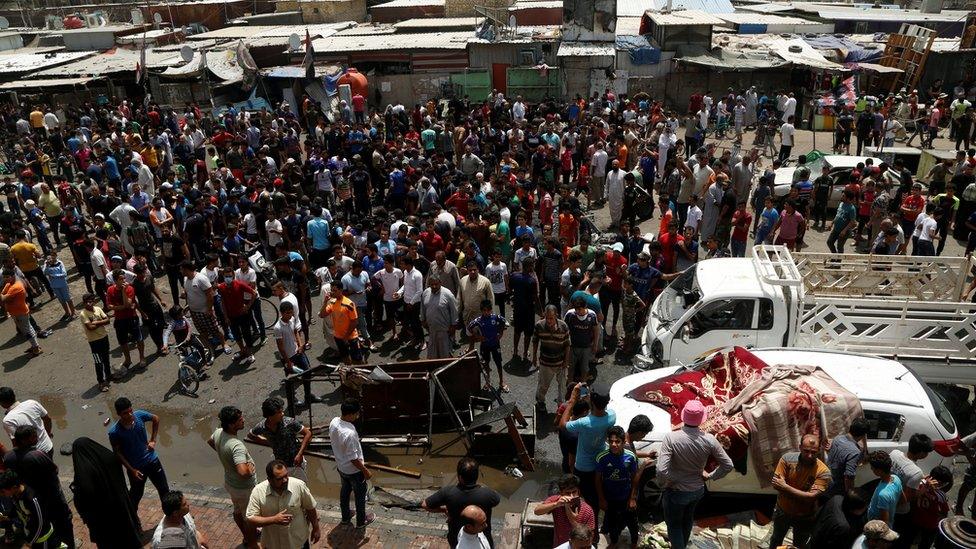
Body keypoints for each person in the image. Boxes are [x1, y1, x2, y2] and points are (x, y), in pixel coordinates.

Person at [656, 400, 734, 549]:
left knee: (674, 525)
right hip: (697, 490)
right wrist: (710, 476)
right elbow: (728, 465)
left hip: (676, 492)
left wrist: (664, 483)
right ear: (701, 419)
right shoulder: (709, 439)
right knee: (687, 520)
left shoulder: (671, 438)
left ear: (684, 416)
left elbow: (661, 470)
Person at [2, 425, 75, 549]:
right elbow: (55, 470)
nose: (37, 438)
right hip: (51, 498)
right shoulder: (37, 454)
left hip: (29, 500)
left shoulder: (8, 457)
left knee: (41, 525)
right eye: (34, 437)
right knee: (63, 524)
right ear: (25, 440)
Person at [560, 382, 615, 528]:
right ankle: (594, 527)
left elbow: (563, 424)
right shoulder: (612, 416)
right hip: (599, 463)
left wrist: (572, 399)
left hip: (583, 468)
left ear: (591, 401)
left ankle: (577, 524)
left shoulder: (584, 422)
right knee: (595, 498)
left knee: (578, 497)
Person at [767, 434, 832, 548]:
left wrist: (785, 487)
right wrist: (803, 494)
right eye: (806, 451)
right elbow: (776, 485)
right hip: (783, 510)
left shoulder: (823, 471)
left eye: (814, 452)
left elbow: (811, 497)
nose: (810, 455)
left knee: (800, 544)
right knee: (776, 538)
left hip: (805, 516)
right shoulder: (787, 459)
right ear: (800, 447)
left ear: (819, 450)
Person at [423, 457, 502, 548]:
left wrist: (443, 509)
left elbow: (425, 505)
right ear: (477, 475)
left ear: (460, 477)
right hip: (483, 535)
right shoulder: (488, 494)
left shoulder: (447, 492)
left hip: (456, 536)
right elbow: (496, 499)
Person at [208, 406, 257, 547]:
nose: (243, 420)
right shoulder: (236, 446)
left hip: (231, 484)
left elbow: (210, 441)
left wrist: (224, 455)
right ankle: (252, 542)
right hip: (244, 489)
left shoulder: (218, 433)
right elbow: (243, 472)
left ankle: (247, 537)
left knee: (237, 511)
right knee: (250, 517)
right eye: (240, 420)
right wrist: (250, 469)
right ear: (231, 424)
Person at [108, 397, 170, 508]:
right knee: (136, 495)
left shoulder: (140, 415)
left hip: (152, 461)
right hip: (136, 469)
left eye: (130, 411)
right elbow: (117, 453)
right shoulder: (114, 432)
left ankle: (172, 517)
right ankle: (132, 521)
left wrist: (153, 440)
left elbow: (156, 418)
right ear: (119, 414)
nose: (130, 414)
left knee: (164, 491)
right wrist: (132, 470)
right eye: (125, 413)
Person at [245, 460, 321, 549]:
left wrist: (316, 528)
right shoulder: (258, 492)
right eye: (279, 479)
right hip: (273, 544)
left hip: (298, 543)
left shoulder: (298, 485)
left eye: (286, 475)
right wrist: (273, 519)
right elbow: (251, 518)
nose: (285, 480)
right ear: (269, 480)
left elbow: (310, 507)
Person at [329, 398, 375, 529]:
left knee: (345, 491)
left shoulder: (334, 422)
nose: (357, 416)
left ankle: (345, 516)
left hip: (341, 467)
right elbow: (353, 458)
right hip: (354, 471)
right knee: (360, 496)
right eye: (356, 413)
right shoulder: (350, 433)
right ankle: (361, 521)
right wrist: (365, 470)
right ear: (350, 414)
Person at [595, 425, 640, 549]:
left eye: (617, 441)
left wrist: (633, 498)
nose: (614, 444)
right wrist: (601, 499)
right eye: (611, 441)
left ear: (623, 442)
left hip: (626, 497)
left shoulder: (630, 456)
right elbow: (598, 480)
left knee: (632, 523)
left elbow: (635, 477)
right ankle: (614, 542)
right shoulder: (602, 457)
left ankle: (634, 542)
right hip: (610, 498)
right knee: (612, 522)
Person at [248, 397, 313, 482]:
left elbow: (307, 433)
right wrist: (268, 442)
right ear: (270, 416)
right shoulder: (262, 427)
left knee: (301, 485)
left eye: (282, 411)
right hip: (280, 463)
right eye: (279, 412)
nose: (282, 414)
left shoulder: (289, 422)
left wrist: (300, 454)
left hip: (296, 462)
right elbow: (251, 435)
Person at [890, 434, 933, 548]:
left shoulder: (895, 453)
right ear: (920, 453)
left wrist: (921, 477)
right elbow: (908, 498)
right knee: (901, 538)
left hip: (888, 497)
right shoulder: (915, 472)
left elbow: (903, 471)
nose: (927, 455)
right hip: (900, 511)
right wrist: (924, 489)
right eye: (926, 452)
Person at [0, 470, 58, 548]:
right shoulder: (15, 495)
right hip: (31, 534)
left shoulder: (31, 499)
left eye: (3, 492)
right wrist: (7, 517)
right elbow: (16, 508)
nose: (2, 494)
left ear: (14, 487)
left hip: (43, 537)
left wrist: (30, 541)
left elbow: (40, 523)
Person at [533, 474, 596, 547]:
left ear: (578, 491)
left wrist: (573, 520)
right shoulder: (556, 500)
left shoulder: (587, 510)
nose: (571, 496)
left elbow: (590, 535)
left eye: (574, 492)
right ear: (561, 492)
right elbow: (537, 511)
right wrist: (556, 504)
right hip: (558, 544)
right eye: (568, 493)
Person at [533, 304, 571, 410]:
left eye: (551, 318)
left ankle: (561, 405)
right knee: (543, 385)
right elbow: (535, 341)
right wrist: (534, 358)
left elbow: (567, 345)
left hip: (561, 363)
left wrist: (566, 362)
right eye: (547, 318)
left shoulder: (564, 326)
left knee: (562, 387)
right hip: (546, 362)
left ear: (556, 316)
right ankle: (540, 402)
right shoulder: (539, 326)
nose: (549, 321)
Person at [0, 387, 54, 458]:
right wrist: (48, 433)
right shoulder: (32, 403)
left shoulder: (8, 420)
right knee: (51, 467)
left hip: (32, 456)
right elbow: (47, 419)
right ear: (14, 396)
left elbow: (16, 443)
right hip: (48, 447)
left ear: (2, 403)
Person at [466, 299, 507, 391]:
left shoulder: (496, 317)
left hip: (495, 345)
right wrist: (477, 337)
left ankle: (501, 382)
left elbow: (504, 323)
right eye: (484, 310)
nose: (486, 312)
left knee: (498, 363)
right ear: (481, 311)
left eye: (488, 310)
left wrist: (500, 334)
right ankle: (488, 382)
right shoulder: (478, 321)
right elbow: (469, 329)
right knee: (486, 364)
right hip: (484, 345)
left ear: (491, 310)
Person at [1, 269, 42, 356]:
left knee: (27, 330)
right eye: (4, 277)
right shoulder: (9, 284)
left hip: (20, 312)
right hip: (16, 312)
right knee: (26, 329)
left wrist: (4, 296)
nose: (5, 279)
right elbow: (3, 294)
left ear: (13, 276)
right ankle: (34, 345)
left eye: (7, 277)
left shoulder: (16, 286)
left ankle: (36, 348)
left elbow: (3, 298)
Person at [826, 417, 869, 496]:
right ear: (863, 435)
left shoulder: (837, 438)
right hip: (838, 489)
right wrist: (849, 496)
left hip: (827, 481)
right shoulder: (854, 452)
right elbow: (848, 477)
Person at [912, 465, 953, 549]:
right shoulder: (941, 495)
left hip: (916, 517)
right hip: (930, 524)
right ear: (940, 483)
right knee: (925, 543)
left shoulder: (920, 484)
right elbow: (944, 512)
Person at [79, 293, 113, 391]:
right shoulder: (83, 314)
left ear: (94, 301)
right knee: (98, 362)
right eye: (87, 302)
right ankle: (101, 382)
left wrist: (96, 322)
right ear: (84, 303)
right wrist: (101, 322)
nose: (89, 304)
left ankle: (108, 375)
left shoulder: (98, 309)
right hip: (94, 341)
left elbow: (108, 321)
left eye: (91, 301)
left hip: (104, 337)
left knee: (106, 358)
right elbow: (90, 328)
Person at [421, 273, 458, 359]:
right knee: (432, 356)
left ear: (440, 282)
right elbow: (423, 308)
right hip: (431, 330)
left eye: (436, 284)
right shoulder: (425, 293)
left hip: (444, 331)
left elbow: (454, 312)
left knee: (445, 355)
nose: (434, 286)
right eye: (431, 284)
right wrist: (423, 320)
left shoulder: (448, 294)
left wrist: (453, 327)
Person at [867, 450, 902, 526]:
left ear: (879, 471)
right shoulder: (896, 478)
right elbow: (903, 499)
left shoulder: (882, 495)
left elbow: (884, 523)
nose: (871, 469)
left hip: (876, 527)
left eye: (872, 468)